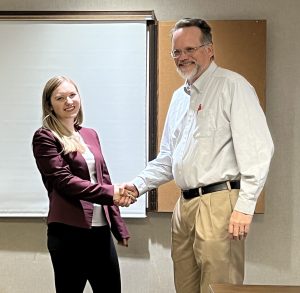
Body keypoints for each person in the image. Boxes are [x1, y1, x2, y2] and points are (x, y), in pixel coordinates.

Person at [126, 18, 274, 293]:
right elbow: (169, 158)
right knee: (185, 286)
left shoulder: (233, 86)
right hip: (184, 208)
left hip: (220, 203)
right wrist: (137, 185)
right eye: (177, 52)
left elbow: (258, 151)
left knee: (219, 286)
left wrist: (245, 206)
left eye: (190, 49)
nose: (183, 58)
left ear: (210, 49)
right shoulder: (179, 97)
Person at [32, 76, 134, 293]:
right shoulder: (45, 137)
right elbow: (64, 181)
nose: (68, 101)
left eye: (72, 95)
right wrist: (111, 192)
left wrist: (118, 227)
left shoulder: (90, 134)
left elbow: (104, 179)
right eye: (60, 98)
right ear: (50, 104)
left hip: (101, 233)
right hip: (68, 234)